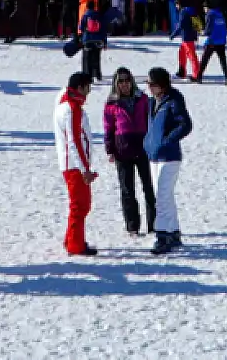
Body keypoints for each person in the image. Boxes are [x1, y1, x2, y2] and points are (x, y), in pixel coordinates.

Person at [103, 68, 156, 237]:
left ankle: (154, 225)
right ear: (116, 84)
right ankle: (132, 225)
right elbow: (108, 128)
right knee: (127, 190)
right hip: (122, 150)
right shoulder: (111, 104)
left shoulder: (143, 99)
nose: (124, 84)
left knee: (149, 187)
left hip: (143, 148)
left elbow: (152, 121)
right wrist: (110, 149)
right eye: (121, 81)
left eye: (127, 80)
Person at [143, 67, 189, 255]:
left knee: (162, 196)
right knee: (164, 195)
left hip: (169, 156)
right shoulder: (153, 101)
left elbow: (185, 124)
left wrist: (167, 140)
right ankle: (174, 231)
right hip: (154, 155)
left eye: (152, 84)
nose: (149, 87)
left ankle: (162, 235)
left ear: (161, 84)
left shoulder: (174, 100)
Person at [53, 72, 98, 256]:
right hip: (74, 165)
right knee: (80, 205)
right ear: (80, 88)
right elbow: (74, 141)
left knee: (81, 205)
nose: (88, 92)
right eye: (87, 87)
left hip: (71, 163)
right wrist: (84, 168)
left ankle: (72, 238)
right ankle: (75, 245)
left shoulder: (66, 103)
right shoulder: (72, 108)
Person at [197, 4, 227, 85]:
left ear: (208, 7)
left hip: (212, 41)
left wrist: (203, 32)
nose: (204, 10)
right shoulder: (220, 14)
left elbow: (208, 29)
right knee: (223, 61)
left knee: (204, 59)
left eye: (204, 7)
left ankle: (199, 77)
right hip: (221, 41)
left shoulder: (210, 14)